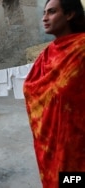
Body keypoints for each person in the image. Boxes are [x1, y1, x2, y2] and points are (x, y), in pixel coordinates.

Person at [23, 0, 85, 188]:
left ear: (69, 14)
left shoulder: (82, 49)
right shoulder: (47, 54)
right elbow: (32, 88)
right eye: (44, 13)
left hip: (78, 148)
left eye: (51, 12)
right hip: (50, 146)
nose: (44, 18)